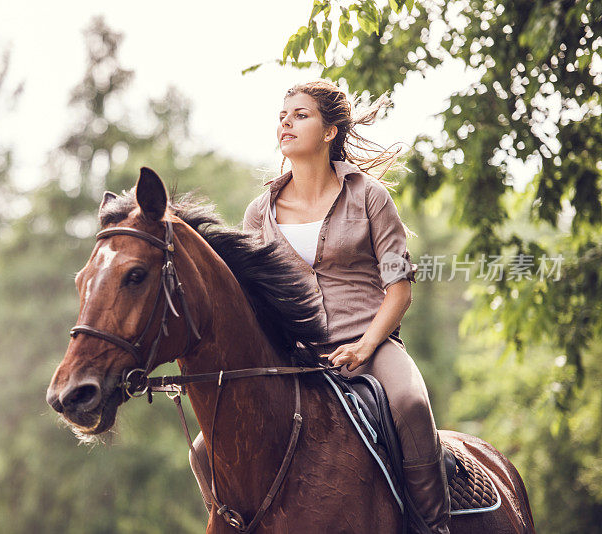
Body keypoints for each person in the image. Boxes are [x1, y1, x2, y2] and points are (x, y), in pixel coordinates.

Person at [189, 80, 450, 533]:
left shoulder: (371, 196)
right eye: (282, 114)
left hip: (371, 343)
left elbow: (400, 289)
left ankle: (434, 524)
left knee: (410, 404)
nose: (286, 122)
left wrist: (365, 347)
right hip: (296, 358)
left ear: (329, 131)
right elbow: (251, 306)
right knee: (199, 450)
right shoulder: (259, 213)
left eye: (300, 115)